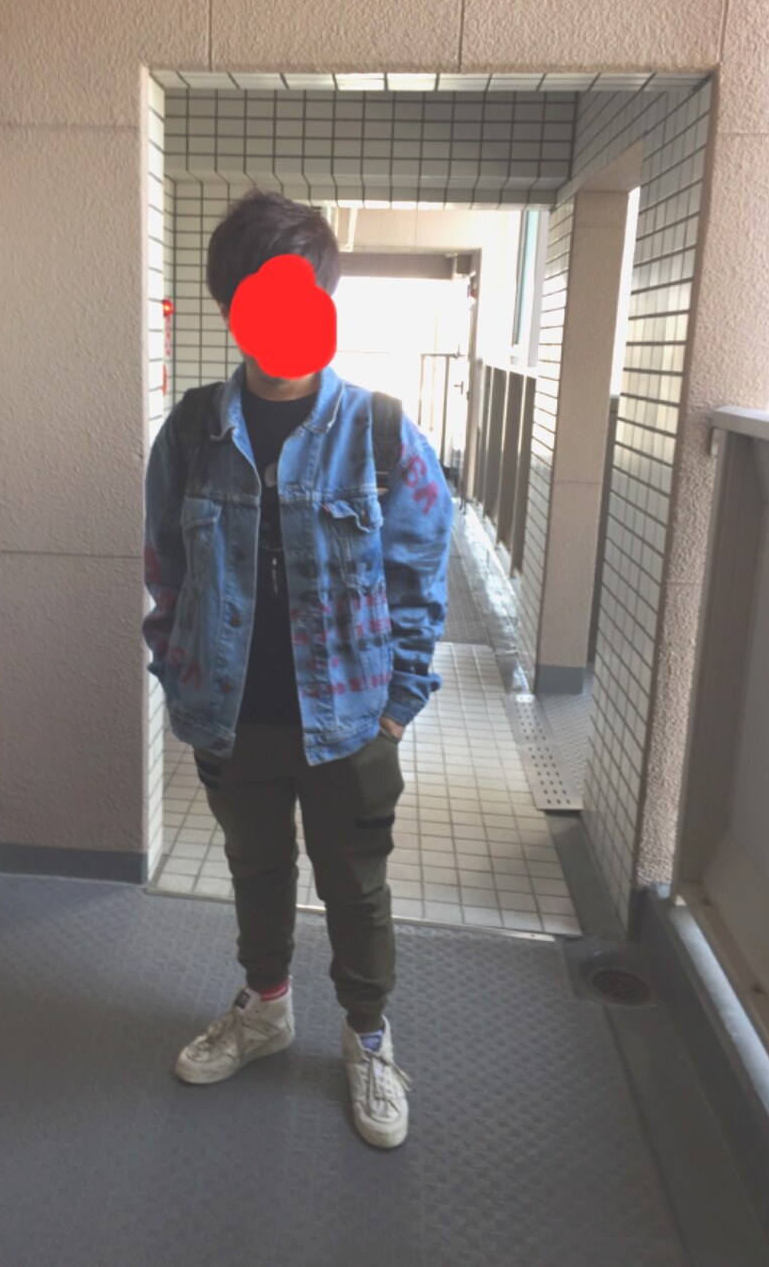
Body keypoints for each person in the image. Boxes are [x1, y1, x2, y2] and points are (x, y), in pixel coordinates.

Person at [142, 189, 453, 1149]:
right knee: (255, 869)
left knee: (355, 886)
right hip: (233, 716)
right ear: (228, 307)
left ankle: (369, 1039)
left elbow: (421, 571)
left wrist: (398, 707)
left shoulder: (382, 432)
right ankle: (266, 1008)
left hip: (353, 720)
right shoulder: (191, 431)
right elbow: (165, 567)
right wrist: (178, 675)